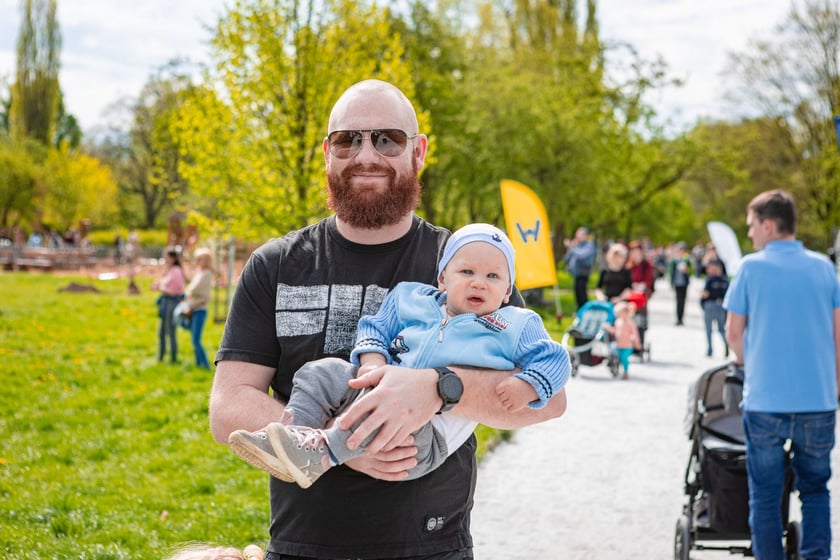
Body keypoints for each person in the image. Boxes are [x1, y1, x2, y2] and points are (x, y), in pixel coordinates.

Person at [208, 79, 567, 560]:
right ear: (327, 153)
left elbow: (549, 400)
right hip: (301, 546)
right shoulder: (276, 265)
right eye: (347, 139)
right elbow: (229, 405)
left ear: (418, 151)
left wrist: (440, 388)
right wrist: (345, 444)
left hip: (431, 546)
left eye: (387, 139)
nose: (366, 154)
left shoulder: (467, 265)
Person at [228, 223, 570, 489]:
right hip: (375, 388)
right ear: (442, 279)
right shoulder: (411, 298)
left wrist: (528, 385)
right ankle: (295, 435)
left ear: (508, 290)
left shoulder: (515, 323)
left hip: (424, 438)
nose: (479, 283)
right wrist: (373, 360)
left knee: (384, 414)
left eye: (493, 277)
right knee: (320, 373)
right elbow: (374, 327)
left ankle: (326, 451)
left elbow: (555, 360)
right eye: (467, 272)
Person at [724, 189, 839, 560]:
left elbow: (733, 333)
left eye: (752, 226)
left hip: (766, 402)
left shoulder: (750, 268)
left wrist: (746, 365)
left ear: (769, 225)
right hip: (818, 400)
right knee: (816, 490)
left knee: (765, 495)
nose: (750, 234)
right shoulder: (825, 267)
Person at [152, 248, 186, 363]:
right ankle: (161, 356)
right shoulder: (170, 270)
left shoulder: (176, 271)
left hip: (172, 302)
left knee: (171, 331)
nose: (165, 259)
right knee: (161, 332)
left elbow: (175, 291)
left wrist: (160, 287)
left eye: (167, 257)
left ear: (173, 258)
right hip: (166, 302)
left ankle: (173, 357)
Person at [183, 247, 215, 369]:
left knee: (196, 340)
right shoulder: (199, 273)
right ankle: (198, 364)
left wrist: (191, 306)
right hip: (192, 308)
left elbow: (205, 297)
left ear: (206, 260)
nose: (196, 261)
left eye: (199, 259)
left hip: (199, 310)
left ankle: (205, 365)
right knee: (193, 340)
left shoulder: (206, 275)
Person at [603, 300, 641, 380]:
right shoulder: (618, 322)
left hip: (628, 345)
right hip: (619, 344)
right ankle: (619, 369)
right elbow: (615, 331)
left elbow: (635, 333)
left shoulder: (630, 323)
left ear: (625, 313)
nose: (617, 315)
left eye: (619, 314)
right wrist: (608, 328)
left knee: (624, 358)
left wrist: (636, 343)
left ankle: (626, 371)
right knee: (618, 357)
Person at [700, 259, 728, 358]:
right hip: (721, 306)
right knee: (721, 329)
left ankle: (710, 349)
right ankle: (726, 344)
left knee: (709, 329)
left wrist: (701, 300)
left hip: (710, 305)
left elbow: (705, 294)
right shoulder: (725, 280)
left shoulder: (710, 280)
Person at [564, 226, 597, 310]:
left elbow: (581, 255)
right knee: (577, 294)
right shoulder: (576, 246)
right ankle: (579, 310)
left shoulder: (589, 245)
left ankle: (585, 310)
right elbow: (567, 258)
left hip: (583, 274)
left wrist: (571, 247)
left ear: (585, 236)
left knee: (582, 294)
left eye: (579, 235)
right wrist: (571, 248)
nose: (577, 237)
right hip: (576, 274)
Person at [669, 242, 692, 326]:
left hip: (684, 283)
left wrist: (687, 270)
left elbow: (691, 271)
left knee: (683, 301)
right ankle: (678, 318)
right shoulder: (675, 261)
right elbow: (672, 272)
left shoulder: (687, 260)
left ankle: (681, 318)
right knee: (678, 301)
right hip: (677, 283)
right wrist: (671, 283)